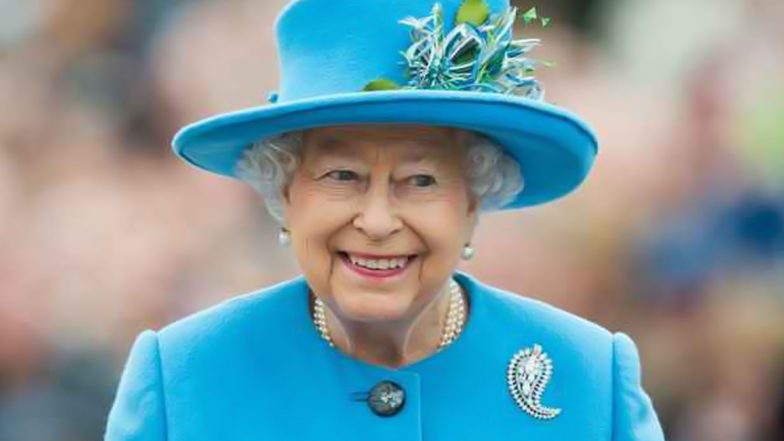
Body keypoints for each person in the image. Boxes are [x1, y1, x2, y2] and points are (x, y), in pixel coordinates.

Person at [104, 0, 665, 439]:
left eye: (420, 181)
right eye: (341, 176)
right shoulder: (184, 375)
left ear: (472, 203)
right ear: (284, 193)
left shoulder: (588, 376)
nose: (376, 221)